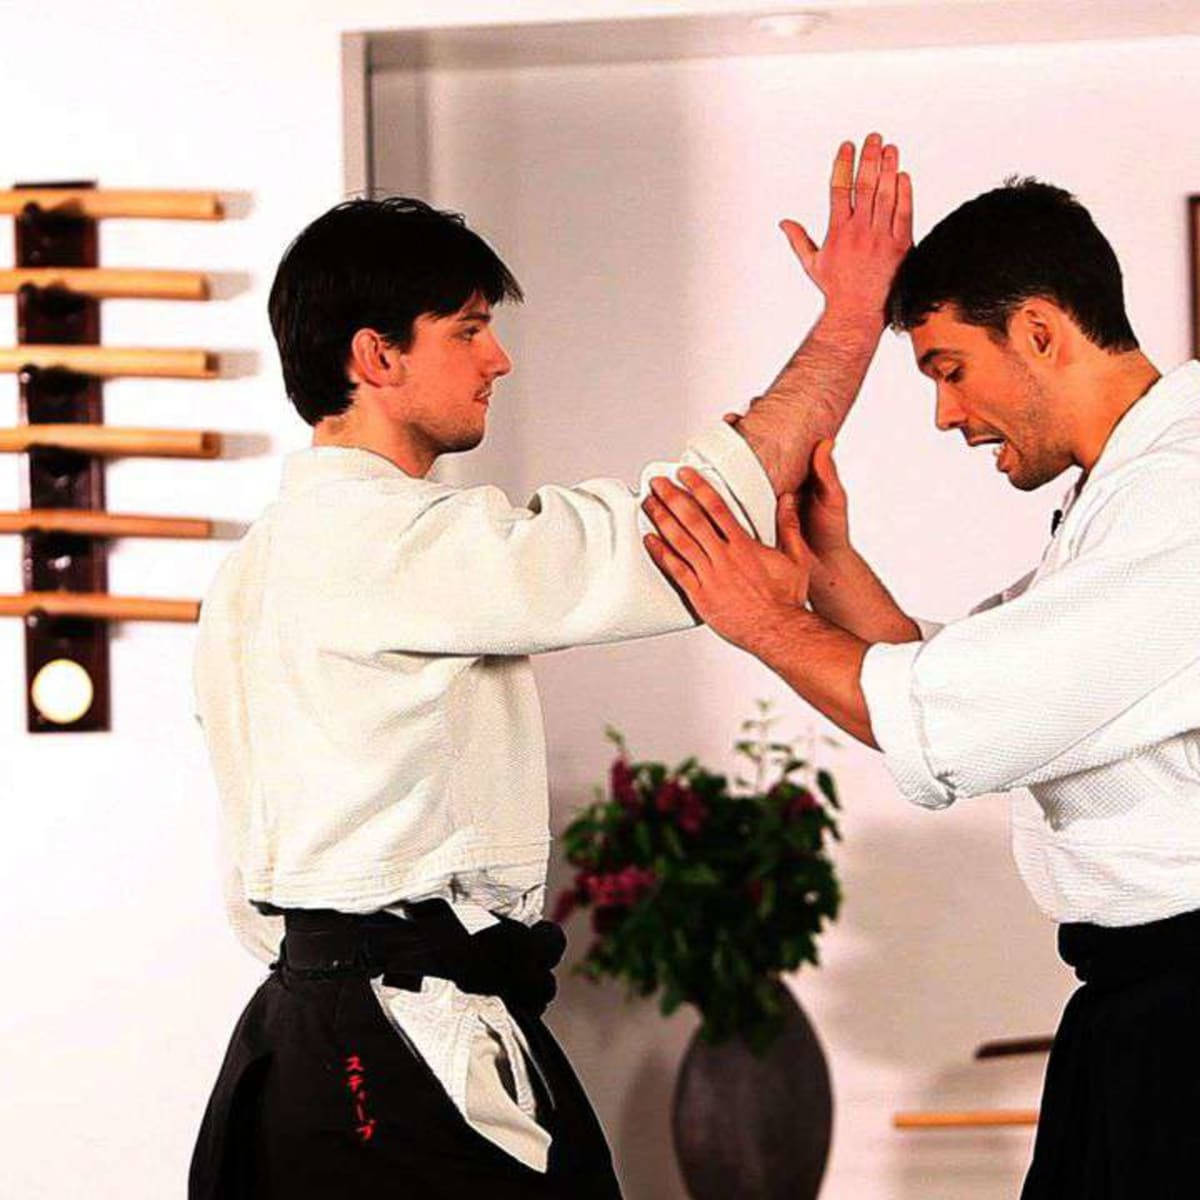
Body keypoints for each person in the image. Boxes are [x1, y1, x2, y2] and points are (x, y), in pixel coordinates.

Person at [188, 135, 913, 1199]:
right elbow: (680, 533)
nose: (499, 359)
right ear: (375, 357)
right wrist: (851, 319)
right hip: (385, 1044)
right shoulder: (388, 546)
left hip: (312, 1028)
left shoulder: (252, 572)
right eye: (470, 330)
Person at [641, 178, 1200, 1198]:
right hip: (1142, 1011)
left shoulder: (1184, 493)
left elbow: (962, 720)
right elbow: (972, 685)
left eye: (950, 370)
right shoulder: (1131, 491)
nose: (946, 415)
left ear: (1038, 331)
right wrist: (825, 569)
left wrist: (757, 618)